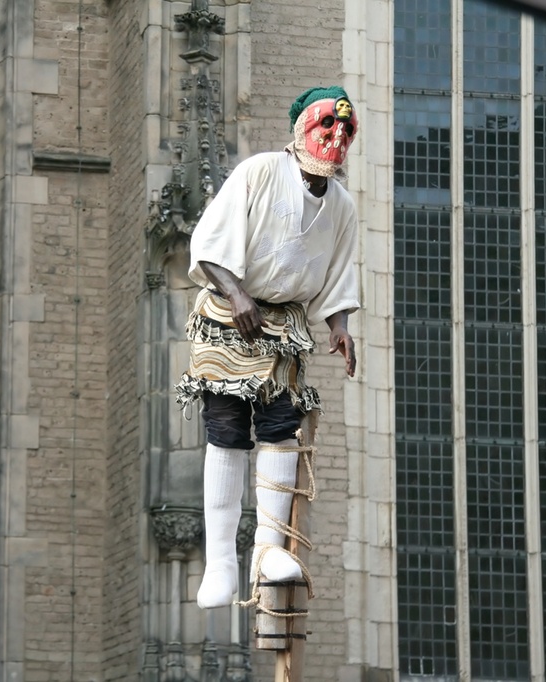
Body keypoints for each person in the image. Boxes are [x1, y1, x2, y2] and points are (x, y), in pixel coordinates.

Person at [175, 85, 361, 609]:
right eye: (327, 125)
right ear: (303, 128)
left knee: (281, 428)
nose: (336, 137)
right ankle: (220, 565)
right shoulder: (259, 172)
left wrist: (340, 324)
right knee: (227, 429)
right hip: (230, 315)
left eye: (345, 130)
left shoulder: (342, 206)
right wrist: (235, 293)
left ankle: (267, 552)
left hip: (285, 326)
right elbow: (207, 244)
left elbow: (340, 276)